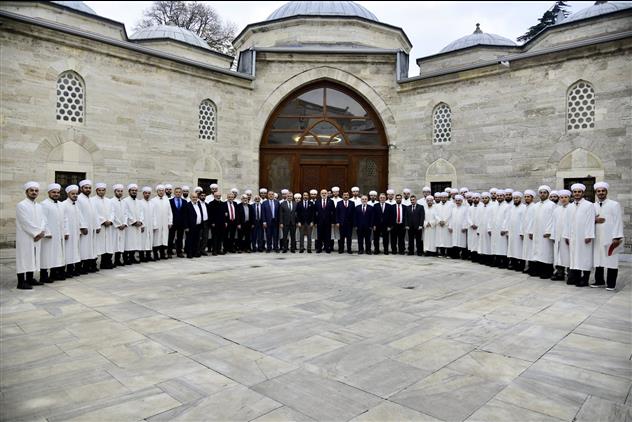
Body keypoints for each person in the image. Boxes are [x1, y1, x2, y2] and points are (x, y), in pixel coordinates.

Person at [592, 182, 624, 291]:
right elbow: (587, 220)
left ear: (606, 192)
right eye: (598, 191)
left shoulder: (614, 204)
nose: (601, 193)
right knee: (598, 259)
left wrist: (617, 237)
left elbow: (618, 221)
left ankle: (611, 284)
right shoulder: (593, 206)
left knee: (611, 260)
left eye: (603, 191)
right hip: (597, 237)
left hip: (610, 237)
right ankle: (599, 281)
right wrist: (594, 219)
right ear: (596, 193)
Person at [15, 181, 46, 289]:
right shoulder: (21, 205)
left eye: (36, 190)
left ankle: (30, 279)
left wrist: (41, 232)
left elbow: (43, 220)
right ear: (26, 192)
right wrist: (36, 233)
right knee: (23, 257)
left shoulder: (39, 206)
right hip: (25, 236)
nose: (34, 192)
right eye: (31, 190)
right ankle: (21, 282)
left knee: (33, 257)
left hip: (37, 236)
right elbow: (25, 222)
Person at [564, 183, 595, 287]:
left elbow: (590, 221)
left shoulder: (589, 205)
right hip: (572, 236)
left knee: (585, 256)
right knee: (574, 256)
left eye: (579, 192)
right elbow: (567, 222)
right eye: (575, 192)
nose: (577, 193)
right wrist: (566, 235)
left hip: (584, 236)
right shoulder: (570, 206)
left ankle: (585, 279)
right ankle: (576, 277)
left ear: (583, 193)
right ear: (572, 193)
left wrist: (589, 235)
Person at [40, 183, 65, 283]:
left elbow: (64, 219)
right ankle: (43, 276)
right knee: (46, 255)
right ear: (49, 193)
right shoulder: (44, 204)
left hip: (58, 234)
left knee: (56, 254)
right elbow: (42, 219)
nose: (56, 194)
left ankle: (54, 274)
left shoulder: (61, 204)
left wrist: (64, 231)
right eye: (53, 192)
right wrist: (47, 232)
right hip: (48, 235)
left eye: (58, 192)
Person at [530, 185, 555, 278]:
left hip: (546, 233)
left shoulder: (552, 205)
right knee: (538, 252)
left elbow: (552, 219)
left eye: (544, 193)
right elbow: (533, 219)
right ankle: (538, 271)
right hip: (537, 232)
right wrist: (531, 231)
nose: (542, 194)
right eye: (541, 193)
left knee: (546, 252)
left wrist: (549, 231)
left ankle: (547, 272)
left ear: (548, 194)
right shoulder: (536, 206)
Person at [76, 179, 99, 273]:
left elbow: (95, 214)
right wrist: (82, 226)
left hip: (92, 228)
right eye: (86, 188)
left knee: (91, 248)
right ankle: (81, 267)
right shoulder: (78, 199)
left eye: (89, 188)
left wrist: (97, 226)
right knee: (83, 248)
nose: (88, 189)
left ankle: (90, 265)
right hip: (85, 229)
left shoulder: (91, 200)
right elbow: (78, 214)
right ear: (81, 189)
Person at [91, 183, 115, 269]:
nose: (101, 192)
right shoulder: (92, 200)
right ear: (96, 191)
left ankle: (106, 262)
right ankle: (93, 264)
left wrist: (110, 220)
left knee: (108, 245)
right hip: (99, 226)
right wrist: (103, 221)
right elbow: (94, 213)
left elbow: (113, 212)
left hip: (108, 226)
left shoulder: (109, 201)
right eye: (99, 190)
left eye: (103, 190)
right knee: (98, 245)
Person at [63, 185, 83, 278]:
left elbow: (79, 218)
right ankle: (67, 270)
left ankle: (72, 269)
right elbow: (64, 219)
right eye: (73, 194)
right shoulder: (64, 204)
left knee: (74, 251)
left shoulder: (76, 205)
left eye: (76, 194)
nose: (75, 195)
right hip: (68, 233)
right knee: (68, 251)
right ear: (68, 194)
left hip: (76, 232)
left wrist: (81, 228)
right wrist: (66, 231)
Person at [551, 190, 571, 281]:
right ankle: (560, 273)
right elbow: (554, 223)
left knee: (568, 255)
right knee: (558, 255)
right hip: (558, 237)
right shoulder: (557, 210)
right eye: (562, 197)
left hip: (567, 237)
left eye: (565, 197)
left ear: (569, 198)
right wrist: (553, 236)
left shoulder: (572, 208)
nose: (563, 199)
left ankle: (570, 274)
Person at [505, 191, 526, 271]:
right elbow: (508, 220)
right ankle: (513, 264)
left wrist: (522, 232)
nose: (515, 199)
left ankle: (521, 266)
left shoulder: (523, 207)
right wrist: (507, 230)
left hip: (519, 232)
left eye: (517, 198)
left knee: (520, 249)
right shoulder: (511, 208)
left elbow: (523, 221)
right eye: (514, 198)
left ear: (520, 199)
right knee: (512, 248)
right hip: (512, 232)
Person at [122, 184, 143, 264]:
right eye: (132, 190)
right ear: (129, 191)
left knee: (135, 242)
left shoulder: (139, 202)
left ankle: (132, 257)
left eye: (135, 190)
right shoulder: (125, 201)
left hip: (137, 225)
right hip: (130, 225)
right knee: (128, 242)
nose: (134, 192)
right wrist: (134, 221)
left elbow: (141, 212)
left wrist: (140, 221)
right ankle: (125, 259)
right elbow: (126, 213)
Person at [151, 185, 173, 260]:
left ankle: (162, 253)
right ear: (157, 191)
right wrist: (154, 224)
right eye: (159, 190)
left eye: (162, 190)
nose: (161, 192)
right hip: (157, 223)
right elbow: (152, 213)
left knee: (164, 238)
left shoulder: (167, 200)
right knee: (156, 239)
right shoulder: (153, 200)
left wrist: (170, 222)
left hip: (165, 223)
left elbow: (170, 212)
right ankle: (155, 254)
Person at [111, 184, 127, 266]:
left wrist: (124, 223)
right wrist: (118, 224)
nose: (120, 193)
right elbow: (112, 214)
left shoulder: (124, 202)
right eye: (118, 191)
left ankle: (118, 260)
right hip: (115, 227)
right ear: (115, 192)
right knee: (114, 243)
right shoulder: (111, 201)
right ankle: (112, 260)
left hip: (122, 226)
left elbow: (126, 214)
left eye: (121, 191)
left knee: (121, 244)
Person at [521, 190, 536, 273]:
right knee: (527, 250)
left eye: (528, 197)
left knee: (531, 251)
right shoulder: (525, 207)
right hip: (525, 232)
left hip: (531, 233)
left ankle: (533, 268)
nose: (526, 198)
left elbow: (533, 221)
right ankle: (529, 266)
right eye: (525, 197)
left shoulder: (534, 207)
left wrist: (531, 231)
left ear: (532, 198)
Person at [168, 187, 187, 257]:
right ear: (174, 193)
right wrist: (169, 222)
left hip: (181, 223)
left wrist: (185, 224)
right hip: (172, 222)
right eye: (176, 192)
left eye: (179, 192)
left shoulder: (184, 202)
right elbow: (168, 213)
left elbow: (185, 214)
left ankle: (179, 252)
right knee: (171, 238)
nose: (178, 193)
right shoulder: (170, 201)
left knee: (180, 238)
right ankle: (169, 252)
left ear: (181, 193)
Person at [448, 195, 468, 259]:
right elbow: (451, 218)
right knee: (454, 241)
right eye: (456, 201)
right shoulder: (453, 209)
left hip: (461, 228)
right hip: (454, 227)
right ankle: (455, 255)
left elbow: (466, 218)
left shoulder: (465, 209)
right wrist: (450, 226)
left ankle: (463, 255)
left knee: (462, 241)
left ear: (462, 201)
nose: (457, 202)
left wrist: (464, 226)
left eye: (459, 200)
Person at [185, 192, 204, 258]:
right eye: (193, 197)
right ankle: (189, 253)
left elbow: (200, 214)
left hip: (198, 225)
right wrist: (186, 226)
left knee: (196, 240)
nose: (195, 198)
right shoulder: (187, 205)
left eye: (196, 197)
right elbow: (185, 217)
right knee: (190, 240)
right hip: (190, 226)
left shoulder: (198, 204)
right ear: (190, 198)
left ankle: (195, 252)